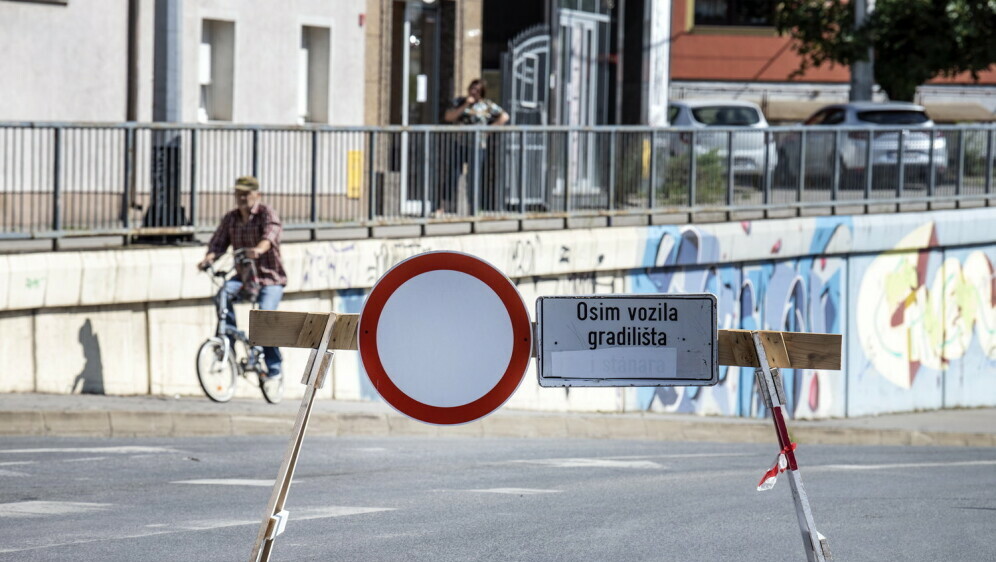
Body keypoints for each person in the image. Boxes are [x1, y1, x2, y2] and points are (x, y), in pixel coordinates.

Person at [197, 175, 287, 380]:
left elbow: (270, 236)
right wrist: (209, 258)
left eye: (246, 194)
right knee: (222, 295)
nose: (242, 198)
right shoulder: (231, 218)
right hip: (245, 278)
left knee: (265, 316)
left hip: (269, 279)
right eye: (238, 194)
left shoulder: (266, 213)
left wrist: (258, 250)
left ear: (257, 194)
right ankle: (228, 344)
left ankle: (274, 364)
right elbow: (218, 243)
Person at [441, 79, 509, 213]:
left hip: (477, 145)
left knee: (474, 177)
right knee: (453, 175)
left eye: (477, 90)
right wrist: (465, 104)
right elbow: (449, 117)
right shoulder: (460, 102)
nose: (474, 92)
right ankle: (443, 206)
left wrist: (489, 129)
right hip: (460, 143)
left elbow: (504, 116)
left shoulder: (486, 105)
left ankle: (473, 208)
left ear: (482, 92)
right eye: (472, 89)